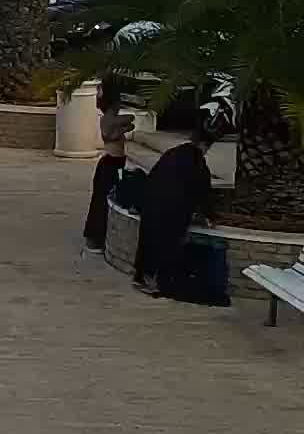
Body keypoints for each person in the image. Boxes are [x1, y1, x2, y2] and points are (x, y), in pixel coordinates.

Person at [132, 128, 215, 296]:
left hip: (151, 203)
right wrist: (207, 215)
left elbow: (153, 175)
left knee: (147, 241)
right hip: (172, 210)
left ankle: (140, 277)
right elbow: (202, 190)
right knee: (166, 246)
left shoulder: (172, 153)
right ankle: (157, 284)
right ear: (204, 145)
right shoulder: (197, 161)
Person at [83, 82, 135, 254]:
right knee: (102, 200)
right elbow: (128, 121)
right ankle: (94, 238)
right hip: (110, 164)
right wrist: (121, 128)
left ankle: (105, 235)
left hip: (119, 164)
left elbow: (130, 123)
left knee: (116, 195)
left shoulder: (113, 121)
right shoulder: (108, 119)